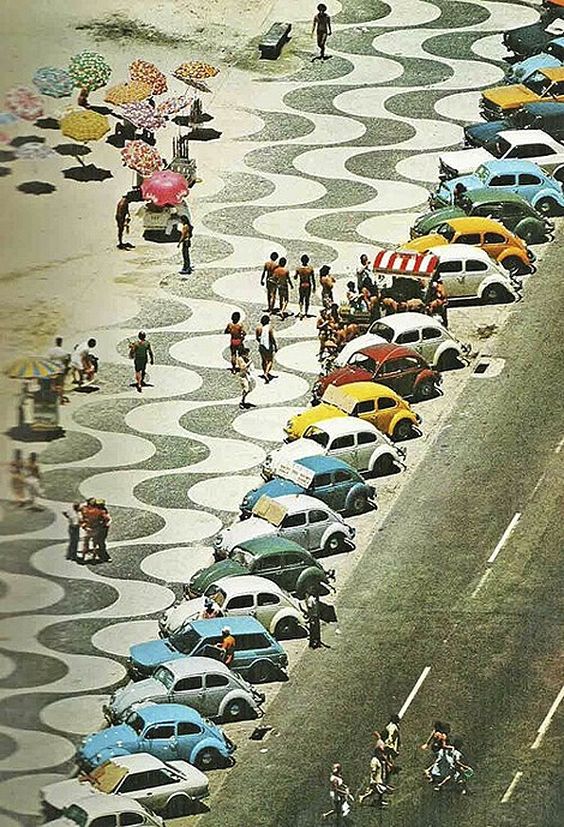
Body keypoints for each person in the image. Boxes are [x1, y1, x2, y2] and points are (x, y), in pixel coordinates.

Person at [255, 314, 277, 383]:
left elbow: (257, 338)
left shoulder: (258, 328)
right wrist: (275, 345)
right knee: (270, 360)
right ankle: (266, 373)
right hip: (268, 346)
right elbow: (272, 338)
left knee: (263, 360)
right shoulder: (269, 328)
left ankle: (265, 371)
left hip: (261, 346)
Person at [296, 254, 316, 319]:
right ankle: (306, 312)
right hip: (308, 285)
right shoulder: (310, 269)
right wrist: (314, 286)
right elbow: (313, 279)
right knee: (307, 299)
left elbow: (295, 277)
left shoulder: (299, 269)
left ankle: (301, 311)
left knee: (301, 298)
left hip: (302, 284)